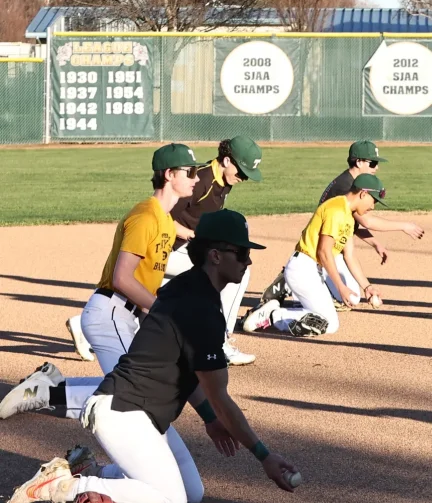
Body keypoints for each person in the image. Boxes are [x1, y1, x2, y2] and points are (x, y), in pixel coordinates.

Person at [4, 210, 298, 503]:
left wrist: (210, 420)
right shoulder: (202, 309)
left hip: (141, 413)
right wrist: (264, 456)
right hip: (122, 412)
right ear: (215, 255)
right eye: (241, 253)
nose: (248, 261)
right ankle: (64, 486)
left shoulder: (186, 288)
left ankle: (91, 470)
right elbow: (221, 399)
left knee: (191, 491)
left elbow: (192, 375)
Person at [1, 143, 199, 421]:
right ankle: (41, 395)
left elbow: (144, 281)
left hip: (123, 316)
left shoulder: (164, 220)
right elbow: (121, 278)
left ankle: (48, 387)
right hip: (110, 314)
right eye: (190, 172)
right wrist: (162, 310)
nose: (196, 178)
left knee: (137, 387)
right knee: (129, 393)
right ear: (169, 174)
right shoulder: (146, 217)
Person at [259, 140, 424, 306]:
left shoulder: (353, 183)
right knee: (344, 295)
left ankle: (304, 284)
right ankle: (294, 283)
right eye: (373, 163)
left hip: (333, 242)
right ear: (359, 162)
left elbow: (351, 224)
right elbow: (366, 220)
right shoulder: (348, 187)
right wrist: (404, 226)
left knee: (352, 294)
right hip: (320, 248)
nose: (376, 168)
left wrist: (374, 243)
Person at [160, 135, 264, 367]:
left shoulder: (223, 181)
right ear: (227, 160)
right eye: (241, 171)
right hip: (166, 250)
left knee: (145, 302)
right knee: (236, 268)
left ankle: (83, 325)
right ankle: (221, 342)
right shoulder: (201, 181)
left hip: (180, 251)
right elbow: (161, 217)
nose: (243, 178)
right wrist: (194, 236)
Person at [242, 174, 386, 337]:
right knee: (329, 323)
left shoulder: (347, 214)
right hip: (302, 269)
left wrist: (367, 287)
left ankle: (276, 312)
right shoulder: (336, 210)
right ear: (363, 193)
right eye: (373, 201)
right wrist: (341, 287)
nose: (373, 206)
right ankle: (272, 315)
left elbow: (349, 255)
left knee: (325, 321)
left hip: (310, 270)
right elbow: (324, 252)